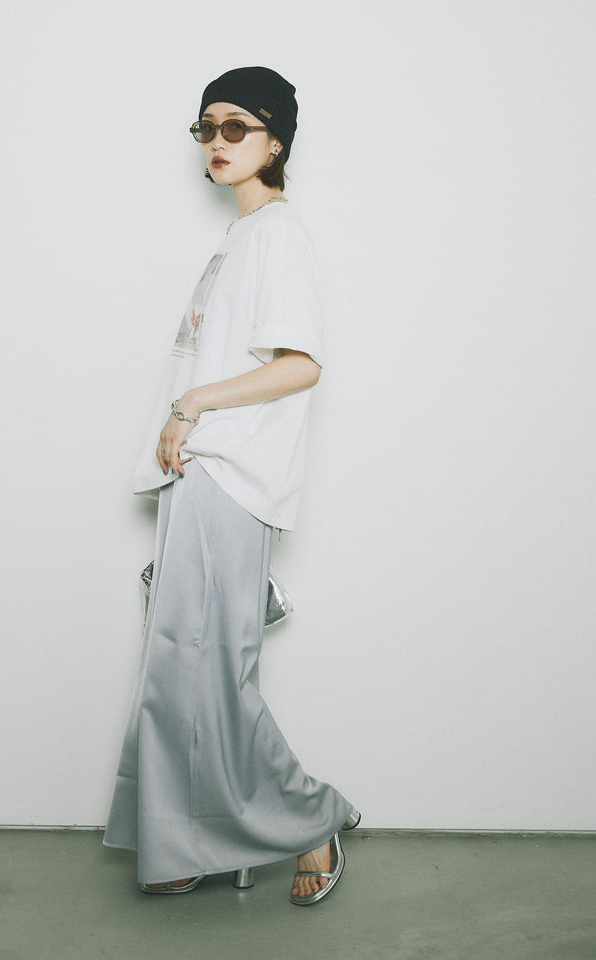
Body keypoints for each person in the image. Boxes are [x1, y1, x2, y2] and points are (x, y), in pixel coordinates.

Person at [103, 66, 359, 906]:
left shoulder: (277, 234)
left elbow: (301, 365)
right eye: (206, 127)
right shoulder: (239, 238)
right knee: (177, 672)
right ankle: (185, 842)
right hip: (200, 473)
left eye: (237, 127)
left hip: (231, 478)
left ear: (275, 140)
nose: (217, 141)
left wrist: (193, 405)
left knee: (208, 676)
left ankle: (310, 818)